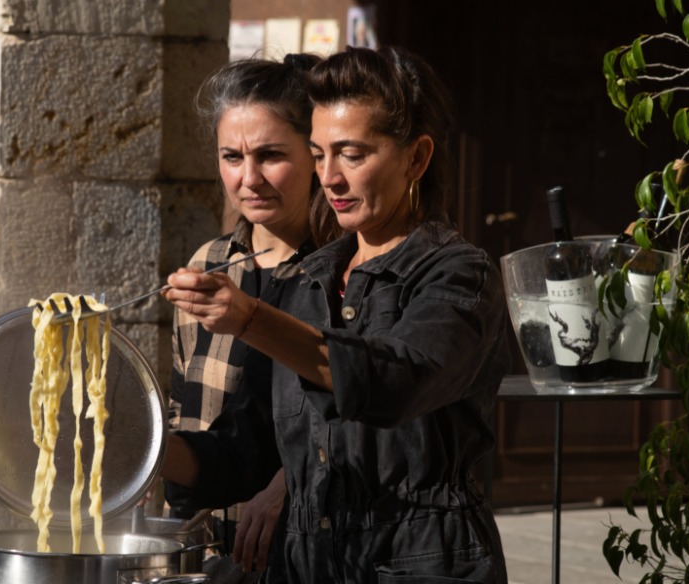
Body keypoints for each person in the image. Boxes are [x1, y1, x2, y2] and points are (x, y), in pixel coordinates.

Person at [161, 46, 511, 583]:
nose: (330, 178)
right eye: (319, 154)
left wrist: (251, 319)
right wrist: (136, 447)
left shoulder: (459, 275)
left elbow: (393, 380)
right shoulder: (312, 281)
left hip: (420, 560)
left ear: (416, 158)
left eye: (351, 155)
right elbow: (243, 453)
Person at [161, 53, 339, 583]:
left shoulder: (345, 270)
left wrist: (287, 485)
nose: (249, 178)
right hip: (210, 552)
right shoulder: (209, 264)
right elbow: (186, 409)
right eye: (232, 157)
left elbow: (364, 414)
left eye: (270, 155)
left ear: (315, 154)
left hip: (312, 552)